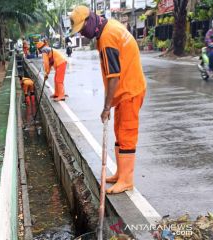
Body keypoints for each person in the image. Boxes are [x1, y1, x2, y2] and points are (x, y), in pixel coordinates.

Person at [70, 6, 146, 194]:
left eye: (82, 29)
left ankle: (126, 180)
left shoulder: (107, 37)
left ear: (89, 20)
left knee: (126, 134)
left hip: (130, 90)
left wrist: (106, 108)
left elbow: (114, 76)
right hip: (124, 91)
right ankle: (121, 174)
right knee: (119, 131)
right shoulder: (108, 27)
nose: (83, 34)